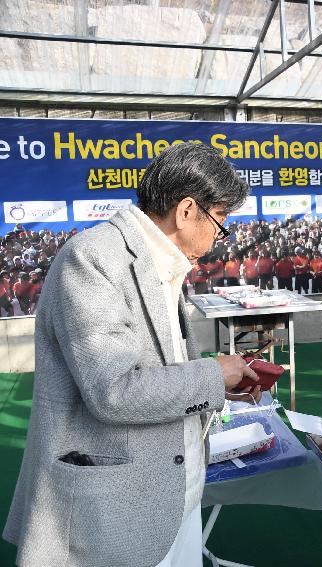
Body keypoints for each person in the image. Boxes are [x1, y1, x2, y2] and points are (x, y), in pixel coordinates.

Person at [3, 143, 261, 567]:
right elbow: (115, 389)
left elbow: (160, 368)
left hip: (172, 493)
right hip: (114, 512)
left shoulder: (163, 263)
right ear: (186, 210)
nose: (219, 239)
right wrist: (212, 376)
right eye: (221, 223)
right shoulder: (92, 259)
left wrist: (216, 387)